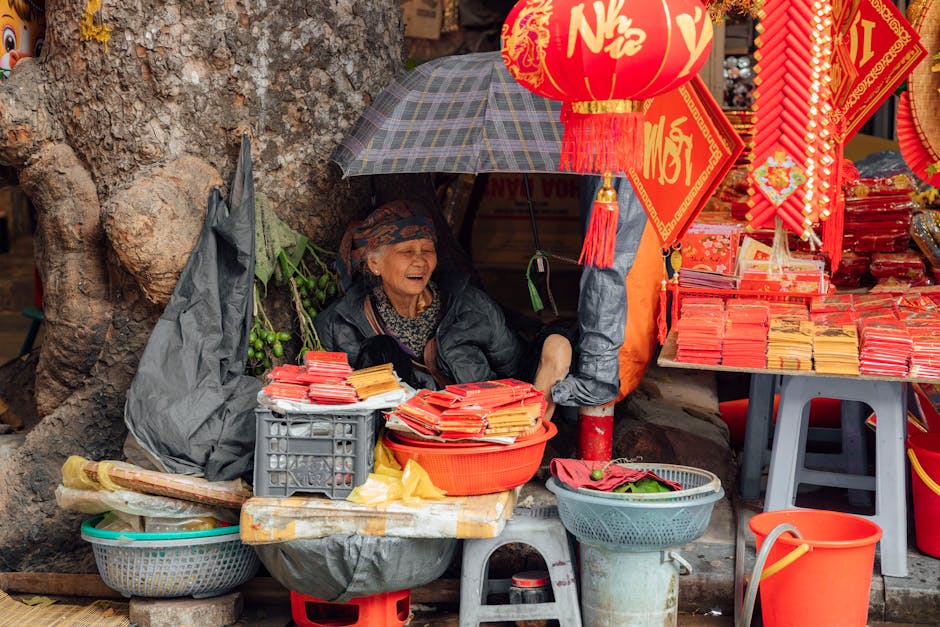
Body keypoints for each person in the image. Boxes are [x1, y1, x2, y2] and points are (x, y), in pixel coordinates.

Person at [314, 200, 572, 420]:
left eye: (428, 250)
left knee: (558, 345)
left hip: (481, 430)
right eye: (406, 251)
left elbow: (516, 370)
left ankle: (525, 448)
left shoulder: (471, 306)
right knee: (380, 351)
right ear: (374, 263)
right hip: (403, 443)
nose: (420, 261)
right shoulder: (340, 323)